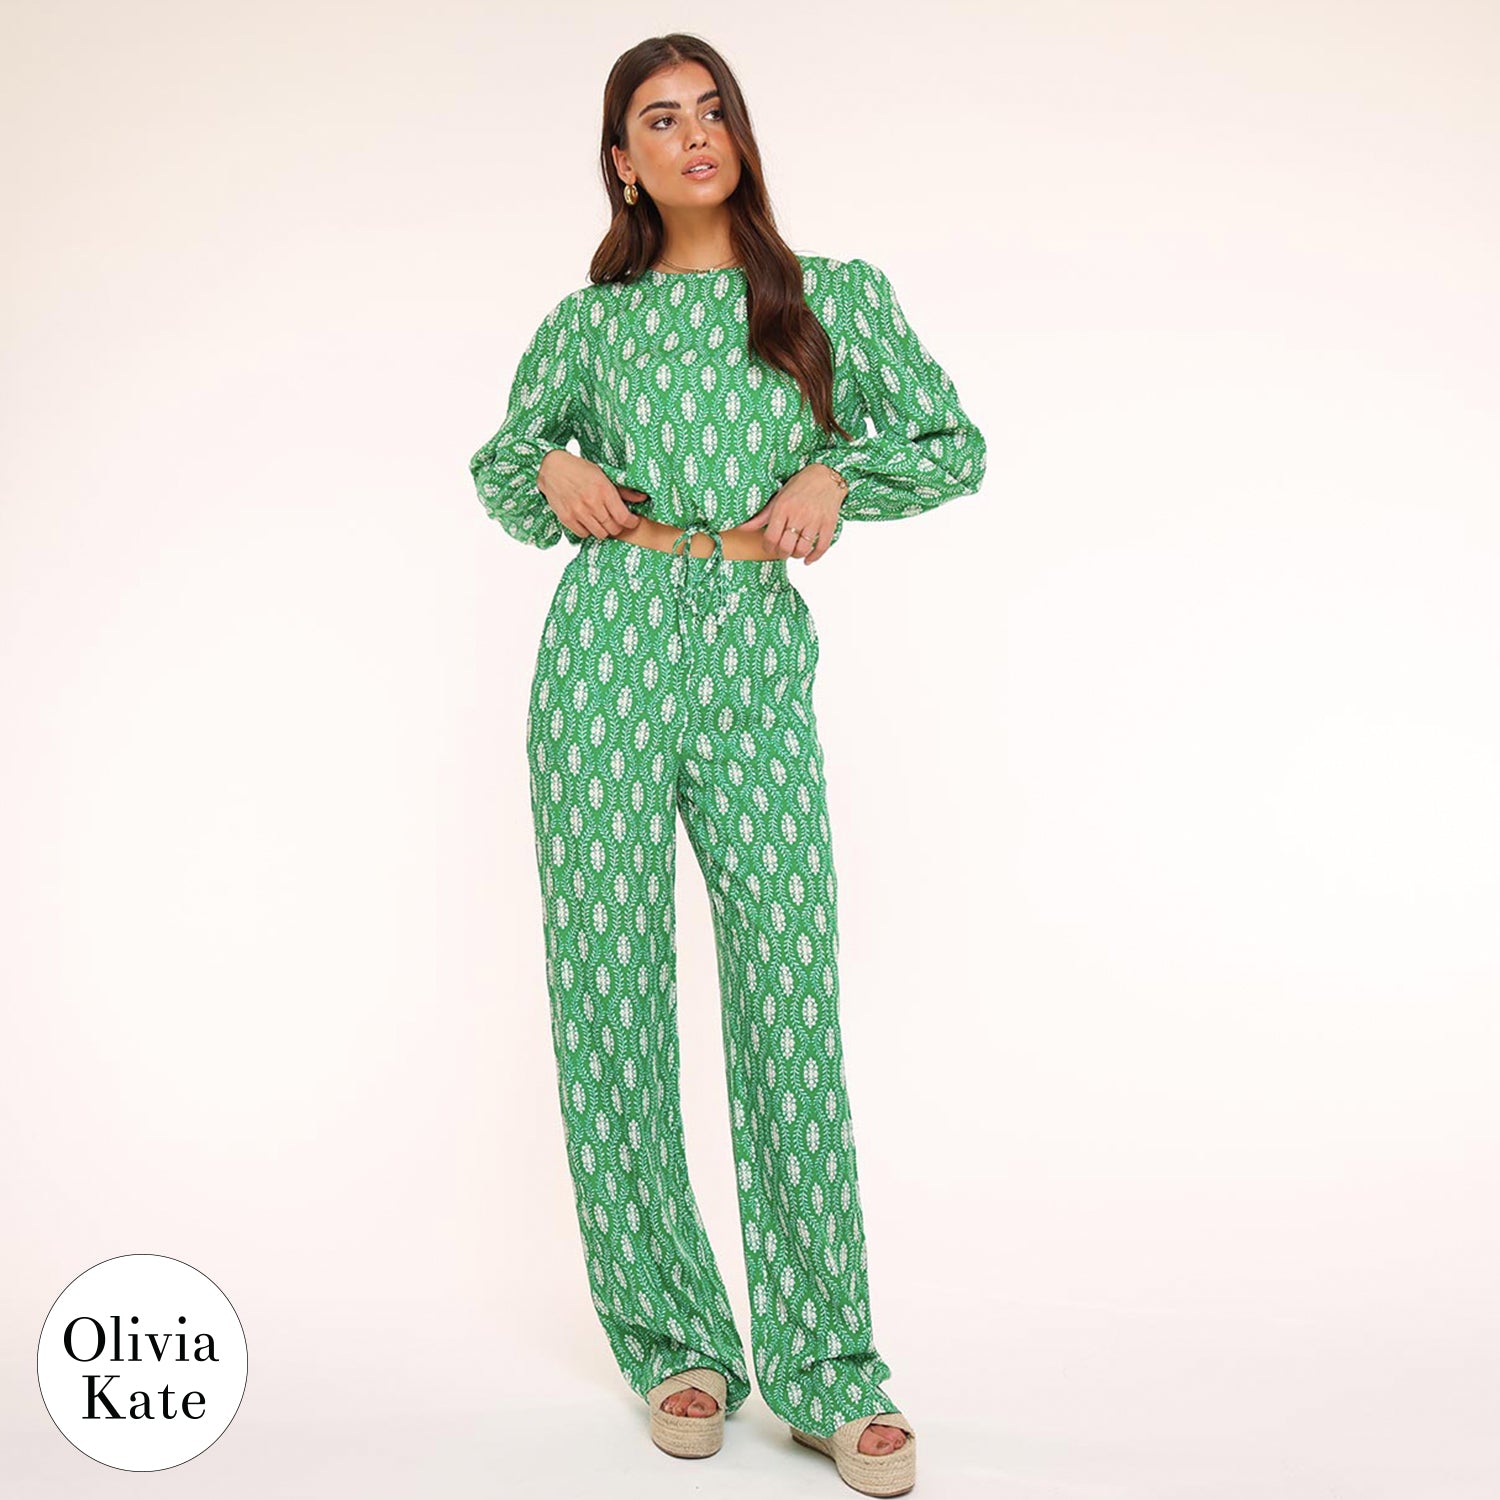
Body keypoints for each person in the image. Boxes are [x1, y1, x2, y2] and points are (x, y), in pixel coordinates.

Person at [467, 33, 985, 1496]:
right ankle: (674, 1342)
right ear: (622, 164)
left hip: (753, 644)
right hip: (607, 648)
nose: (694, 134)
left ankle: (827, 1369)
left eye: (713, 111)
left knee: (786, 993)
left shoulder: (830, 297)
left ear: (739, 137)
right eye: (659, 119)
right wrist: (550, 468)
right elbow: (504, 468)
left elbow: (951, 444)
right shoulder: (590, 326)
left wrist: (836, 472)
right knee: (610, 995)